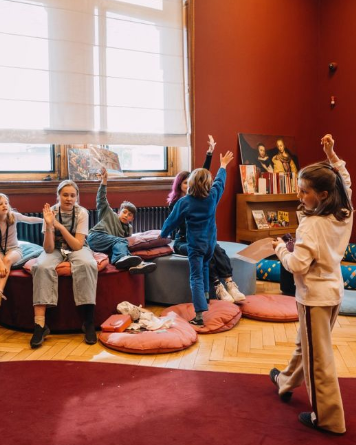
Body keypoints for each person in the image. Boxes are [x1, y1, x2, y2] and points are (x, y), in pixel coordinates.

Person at [269, 134, 352, 436]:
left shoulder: (311, 224)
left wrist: (280, 248)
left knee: (319, 360)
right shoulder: (344, 212)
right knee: (307, 345)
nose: (300, 196)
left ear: (324, 195)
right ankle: (286, 381)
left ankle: (328, 419)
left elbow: (297, 265)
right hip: (333, 293)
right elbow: (345, 180)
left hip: (314, 297)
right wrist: (332, 155)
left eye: (305, 192)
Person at [166, 137, 245, 304]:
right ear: (179, 185)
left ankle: (229, 283)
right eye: (185, 183)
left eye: (190, 182)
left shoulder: (200, 198)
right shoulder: (178, 203)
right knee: (203, 252)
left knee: (217, 250)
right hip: (183, 241)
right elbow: (174, 224)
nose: (188, 185)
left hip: (201, 239)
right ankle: (217, 285)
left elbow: (203, 174)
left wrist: (209, 154)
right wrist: (161, 236)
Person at [161, 149, 235, 326]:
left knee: (196, 278)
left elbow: (171, 221)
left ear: (191, 183)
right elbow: (220, 182)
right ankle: (207, 297)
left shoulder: (185, 202)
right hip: (210, 245)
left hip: (195, 246)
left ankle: (199, 315)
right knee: (205, 268)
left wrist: (162, 235)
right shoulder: (212, 197)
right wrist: (223, 166)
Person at [30, 180, 99, 348]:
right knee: (40, 267)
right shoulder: (50, 212)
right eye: (65, 195)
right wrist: (49, 225)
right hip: (55, 249)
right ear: (58, 195)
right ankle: (40, 325)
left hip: (77, 247)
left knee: (88, 264)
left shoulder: (82, 212)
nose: (69, 199)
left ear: (77, 197)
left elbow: (77, 245)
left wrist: (59, 227)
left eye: (72, 195)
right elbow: (48, 248)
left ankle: (88, 322)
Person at [86, 168, 156, 275]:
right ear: (119, 212)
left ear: (132, 219)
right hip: (96, 237)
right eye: (124, 212)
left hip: (107, 245)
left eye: (130, 215)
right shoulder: (109, 214)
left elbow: (120, 245)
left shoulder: (129, 229)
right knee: (122, 241)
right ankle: (119, 259)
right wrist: (104, 182)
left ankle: (137, 264)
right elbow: (101, 199)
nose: (126, 215)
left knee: (122, 245)